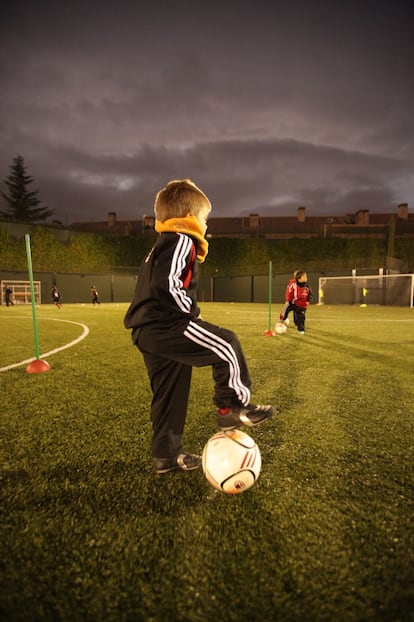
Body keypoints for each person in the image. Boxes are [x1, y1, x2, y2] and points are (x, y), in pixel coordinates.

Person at [124, 179, 274, 474]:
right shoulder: (182, 239)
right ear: (189, 218)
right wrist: (190, 316)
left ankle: (166, 457)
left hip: (147, 331)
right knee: (227, 344)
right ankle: (231, 408)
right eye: (205, 218)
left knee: (170, 391)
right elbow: (166, 284)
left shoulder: (158, 246)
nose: (206, 225)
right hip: (167, 324)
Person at [279, 270, 313, 334]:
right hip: (292, 302)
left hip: (301, 304)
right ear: (298, 278)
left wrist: (308, 300)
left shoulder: (307, 287)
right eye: (304, 276)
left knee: (300, 317)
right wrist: (289, 300)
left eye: (306, 276)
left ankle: (301, 330)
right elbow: (289, 292)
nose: (306, 278)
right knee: (285, 310)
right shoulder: (293, 284)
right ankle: (281, 321)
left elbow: (310, 295)